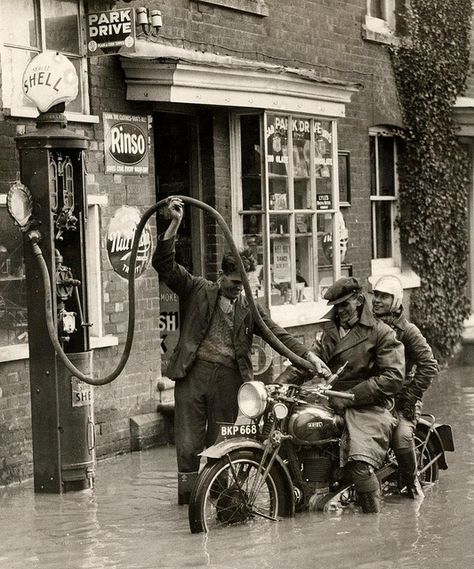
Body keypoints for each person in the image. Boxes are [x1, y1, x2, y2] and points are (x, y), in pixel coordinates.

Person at [152, 196, 330, 505]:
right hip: (193, 376)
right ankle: (188, 504)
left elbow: (280, 335)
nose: (238, 289)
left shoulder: (251, 307)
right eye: (234, 283)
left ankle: (218, 499)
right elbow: (163, 264)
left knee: (222, 441)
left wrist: (310, 357)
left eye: (244, 284)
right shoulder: (197, 290)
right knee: (187, 444)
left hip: (229, 382)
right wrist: (175, 224)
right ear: (221, 276)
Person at [310, 276, 405, 513]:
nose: (340, 310)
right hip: (332, 400)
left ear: (360, 300)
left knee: (359, 464)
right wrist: (278, 385)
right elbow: (308, 362)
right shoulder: (328, 331)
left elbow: (393, 377)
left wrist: (353, 395)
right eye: (336, 306)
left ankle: (372, 520)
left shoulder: (380, 332)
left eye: (345, 305)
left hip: (367, 405)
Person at [372, 275, 438, 499]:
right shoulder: (368, 326)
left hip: (402, 400)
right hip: (373, 395)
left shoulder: (408, 331)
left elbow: (429, 365)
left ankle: (412, 482)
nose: (377, 300)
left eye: (384, 296)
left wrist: (410, 395)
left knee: (401, 437)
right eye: (376, 295)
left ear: (396, 300)